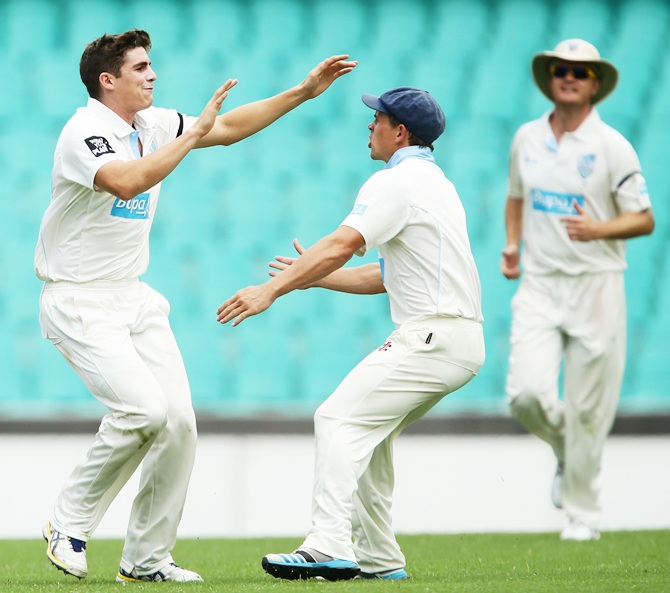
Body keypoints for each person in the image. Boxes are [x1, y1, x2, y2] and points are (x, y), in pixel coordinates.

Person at [35, 29, 356, 583]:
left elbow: (227, 128)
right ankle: (68, 522)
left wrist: (302, 92)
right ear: (107, 80)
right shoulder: (84, 131)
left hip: (133, 295)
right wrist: (191, 137)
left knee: (180, 424)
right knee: (143, 411)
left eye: (152, 65)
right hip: (78, 299)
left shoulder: (152, 123)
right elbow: (125, 180)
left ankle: (146, 560)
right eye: (140, 68)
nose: (153, 75)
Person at [217, 87, 485, 581]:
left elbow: (343, 244)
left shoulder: (394, 183)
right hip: (458, 341)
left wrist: (270, 290)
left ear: (399, 131)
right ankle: (381, 561)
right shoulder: (437, 184)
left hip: (431, 335)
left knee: (336, 418)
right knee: (369, 435)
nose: (370, 126)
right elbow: (385, 275)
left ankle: (327, 545)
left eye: (377, 118)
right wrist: (311, 276)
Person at [500, 39, 654, 541]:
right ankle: (569, 452)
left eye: (580, 72)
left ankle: (583, 515)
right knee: (525, 394)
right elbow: (516, 196)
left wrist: (599, 230)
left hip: (597, 285)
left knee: (590, 408)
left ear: (594, 84)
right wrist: (511, 245)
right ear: (550, 78)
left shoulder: (612, 146)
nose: (570, 77)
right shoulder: (526, 137)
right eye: (562, 69)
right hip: (541, 283)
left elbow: (644, 219)